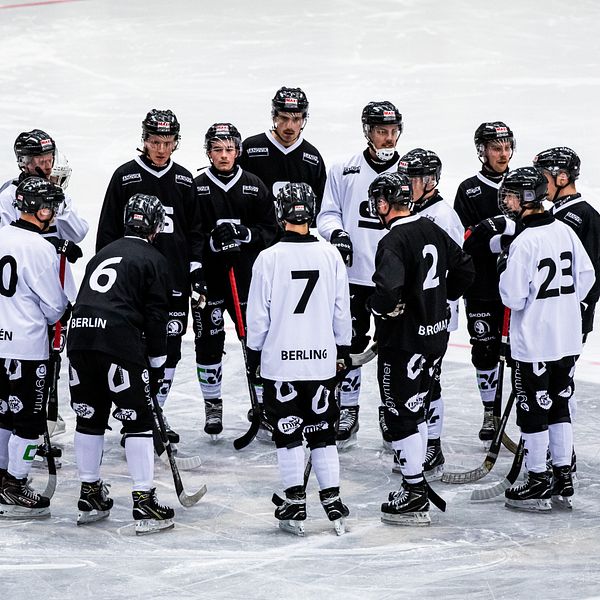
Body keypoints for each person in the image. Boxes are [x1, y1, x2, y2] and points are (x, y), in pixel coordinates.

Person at [367, 173, 474, 525]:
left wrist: (382, 307)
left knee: (400, 411)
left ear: (383, 204)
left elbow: (386, 292)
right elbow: (465, 270)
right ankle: (419, 473)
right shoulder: (432, 229)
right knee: (421, 402)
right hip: (435, 334)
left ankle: (413, 491)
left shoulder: (394, 240)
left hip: (403, 340)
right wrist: (438, 300)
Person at [246, 183, 352, 536]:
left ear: (281, 213)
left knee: (287, 432)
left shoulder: (269, 257)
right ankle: (333, 500)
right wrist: (341, 348)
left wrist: (254, 351)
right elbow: (342, 311)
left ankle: (295, 500)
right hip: (321, 362)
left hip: (281, 364)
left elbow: (258, 317)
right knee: (322, 433)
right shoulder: (330, 255)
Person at [96, 109, 206, 444]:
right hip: (131, 284)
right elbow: (107, 232)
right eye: (155, 141)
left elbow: (195, 232)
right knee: (132, 347)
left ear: (176, 142)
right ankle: (133, 411)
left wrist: (195, 270)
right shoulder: (125, 177)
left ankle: (156, 410)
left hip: (171, 283)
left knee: (169, 349)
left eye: (167, 142)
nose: (161, 148)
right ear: (144, 140)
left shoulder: (186, 180)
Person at [68, 194, 175, 534]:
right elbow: (158, 315)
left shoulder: (102, 253)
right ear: (156, 227)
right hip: (117, 343)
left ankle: (90, 493)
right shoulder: (154, 259)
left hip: (80, 339)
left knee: (89, 417)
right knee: (138, 422)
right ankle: (143, 501)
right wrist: (157, 359)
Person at [497, 167, 594, 512]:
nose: (506, 200)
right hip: (566, 338)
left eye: (511, 194)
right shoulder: (565, 231)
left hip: (535, 341)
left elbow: (512, 298)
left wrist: (502, 269)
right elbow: (586, 277)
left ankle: (537, 477)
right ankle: (562, 473)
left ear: (526, 198)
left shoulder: (525, 242)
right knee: (560, 405)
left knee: (533, 409)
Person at [316, 100, 402, 448]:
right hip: (352, 278)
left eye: (393, 131)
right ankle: (348, 409)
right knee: (349, 347)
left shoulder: (408, 170)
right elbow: (327, 214)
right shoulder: (344, 169)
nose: (388, 138)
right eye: (382, 131)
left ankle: (390, 410)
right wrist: (337, 234)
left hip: (392, 281)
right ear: (367, 132)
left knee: (394, 350)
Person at [194, 123, 278, 439]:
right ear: (208, 152)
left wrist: (246, 235)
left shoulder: (254, 186)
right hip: (213, 281)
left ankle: (263, 405)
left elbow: (271, 231)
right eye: (217, 149)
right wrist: (211, 245)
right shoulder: (198, 186)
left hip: (247, 281)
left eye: (229, 149)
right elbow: (192, 234)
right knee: (208, 343)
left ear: (238, 151)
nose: (224, 155)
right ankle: (212, 405)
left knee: (254, 343)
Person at [0, 177, 69, 518]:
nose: (54, 215)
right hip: (26, 347)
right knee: (28, 420)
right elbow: (53, 307)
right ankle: (15, 482)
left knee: (1, 414)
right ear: (41, 210)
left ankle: (1, 477)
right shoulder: (41, 247)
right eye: (52, 208)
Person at [397, 149, 465, 480]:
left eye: (413, 179)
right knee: (418, 380)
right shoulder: (415, 213)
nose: (406, 184)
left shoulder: (442, 216)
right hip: (421, 311)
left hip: (434, 312)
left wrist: (443, 300)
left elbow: (457, 267)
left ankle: (432, 445)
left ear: (431, 181)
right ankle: (421, 439)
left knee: (430, 380)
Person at [453, 121, 516, 447]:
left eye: (506, 147)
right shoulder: (469, 190)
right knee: (484, 350)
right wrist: (492, 242)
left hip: (518, 287)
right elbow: (462, 238)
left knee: (519, 352)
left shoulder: (523, 184)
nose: (503, 154)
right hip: (480, 286)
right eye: (496, 148)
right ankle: (490, 411)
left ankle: (525, 411)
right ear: (482, 151)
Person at [239, 86, 326, 220]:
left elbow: (322, 204)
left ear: (303, 120)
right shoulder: (251, 149)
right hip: (259, 234)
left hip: (295, 235)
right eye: (284, 118)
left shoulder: (312, 157)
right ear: (274, 117)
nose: (289, 126)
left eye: (296, 119)